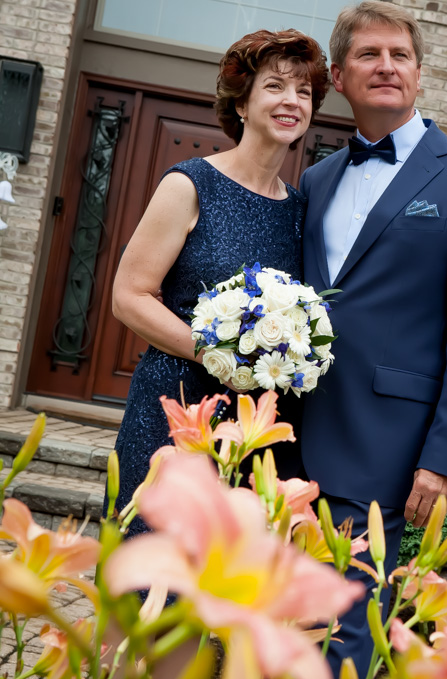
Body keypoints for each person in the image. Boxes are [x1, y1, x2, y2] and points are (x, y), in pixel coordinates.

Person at [300, 1, 447, 679]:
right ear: (339, 77)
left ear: (419, 73)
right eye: (368, 54)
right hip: (295, 442)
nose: (387, 66)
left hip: (389, 452)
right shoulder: (315, 180)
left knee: (349, 636)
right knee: (294, 632)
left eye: (400, 54)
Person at [109, 29, 329, 527]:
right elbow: (129, 296)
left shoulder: (300, 211)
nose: (292, 101)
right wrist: (216, 353)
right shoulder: (190, 185)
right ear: (242, 104)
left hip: (257, 430)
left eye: (304, 91)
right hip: (177, 410)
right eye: (275, 86)